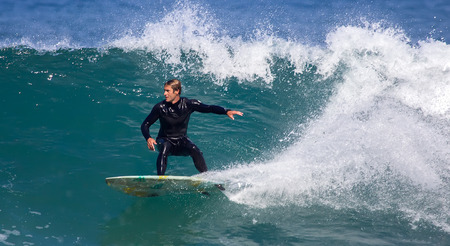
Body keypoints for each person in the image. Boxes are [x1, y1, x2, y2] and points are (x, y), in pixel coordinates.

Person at [141, 79, 243, 175]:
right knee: (165, 147)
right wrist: (148, 138)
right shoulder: (160, 107)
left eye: (168, 91)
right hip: (164, 140)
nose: (164, 94)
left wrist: (226, 111)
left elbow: (209, 108)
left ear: (177, 91)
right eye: (164, 91)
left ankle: (206, 177)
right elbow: (145, 124)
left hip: (181, 141)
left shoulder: (188, 104)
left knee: (194, 149)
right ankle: (160, 179)